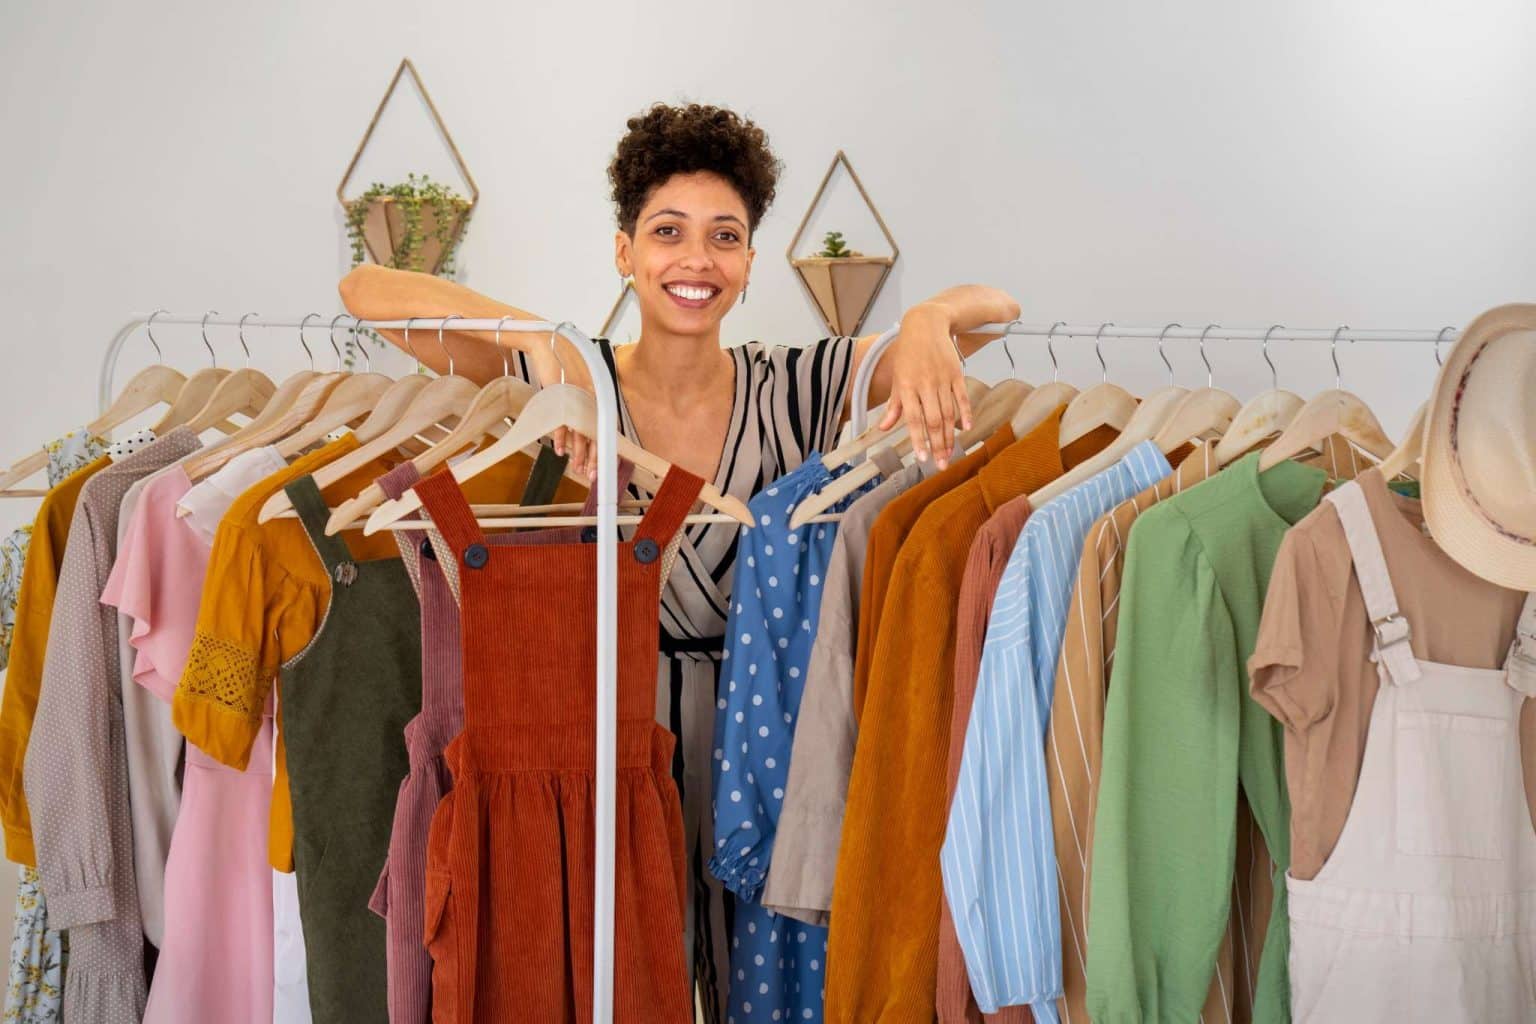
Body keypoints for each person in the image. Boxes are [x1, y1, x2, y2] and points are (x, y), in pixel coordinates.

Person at [340, 100, 1019, 1023]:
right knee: (628, 989)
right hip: (612, 743)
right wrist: (540, 341)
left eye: (724, 237)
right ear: (625, 250)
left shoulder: (802, 383)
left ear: (748, 261)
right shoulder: (575, 386)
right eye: (668, 232)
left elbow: (998, 314)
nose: (695, 261)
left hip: (771, 743)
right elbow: (366, 293)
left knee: (774, 991)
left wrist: (932, 316)